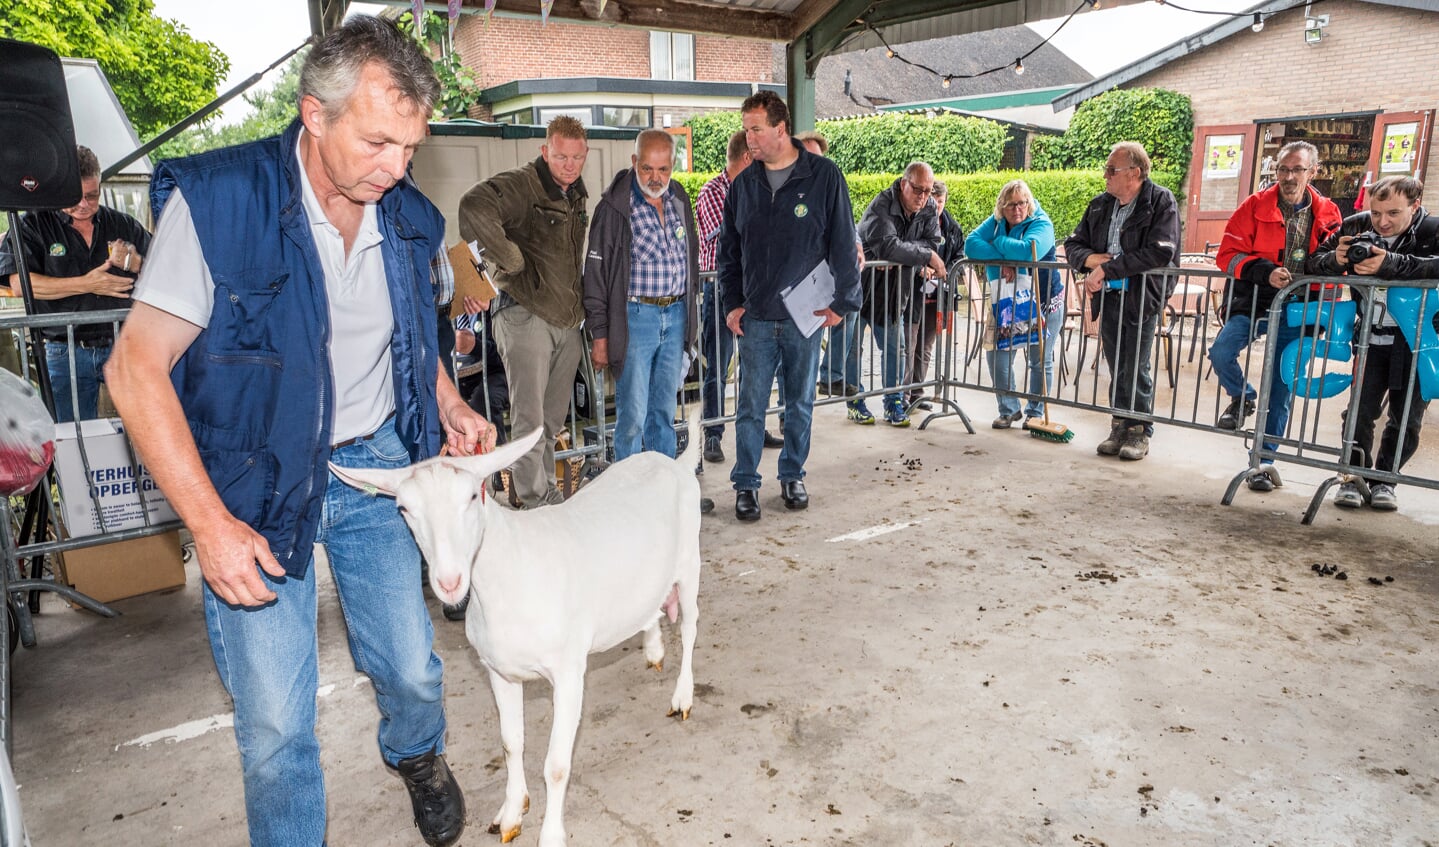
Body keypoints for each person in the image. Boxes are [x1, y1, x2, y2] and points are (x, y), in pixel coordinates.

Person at [103, 17, 493, 847]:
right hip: (250, 481)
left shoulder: (408, 217)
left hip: (374, 466)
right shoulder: (220, 203)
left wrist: (449, 402)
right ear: (314, 115)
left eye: (410, 148)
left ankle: (416, 753)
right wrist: (209, 526)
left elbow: (414, 336)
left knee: (414, 670)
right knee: (278, 723)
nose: (397, 168)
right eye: (379, 142)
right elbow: (133, 370)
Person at [718, 91, 861, 521]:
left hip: (807, 318)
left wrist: (843, 302)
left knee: (800, 403)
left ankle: (792, 474)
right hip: (756, 319)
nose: (749, 139)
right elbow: (729, 252)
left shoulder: (825, 177)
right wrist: (731, 303)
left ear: (781, 129)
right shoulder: (743, 185)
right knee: (750, 408)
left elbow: (843, 242)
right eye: (746, 130)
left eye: (756, 130)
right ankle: (746, 484)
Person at [458, 115, 589, 508]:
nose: (569, 165)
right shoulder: (523, 183)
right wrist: (510, 261)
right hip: (524, 315)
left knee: (550, 423)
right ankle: (532, 502)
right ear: (545, 151)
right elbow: (473, 206)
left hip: (564, 321)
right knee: (530, 422)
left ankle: (545, 491)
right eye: (562, 156)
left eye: (577, 157)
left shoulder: (575, 191)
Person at [1210, 141, 1342, 491]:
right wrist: (1263, 271)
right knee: (1221, 351)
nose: (1287, 176)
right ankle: (1243, 395)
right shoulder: (1253, 206)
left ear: (1313, 172)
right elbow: (1227, 256)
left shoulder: (1329, 212)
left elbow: (1338, 264)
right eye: (1283, 169)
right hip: (1255, 298)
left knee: (1281, 389)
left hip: (1302, 307)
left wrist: (1326, 307)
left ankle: (1263, 464)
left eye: (1296, 169)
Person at [1307, 175, 1438, 512]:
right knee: (1359, 412)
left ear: (1415, 206)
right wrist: (1336, 260)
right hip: (1369, 339)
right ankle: (1353, 477)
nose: (1382, 222)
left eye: (1393, 213)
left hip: (1418, 343)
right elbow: (1312, 262)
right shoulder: (1356, 227)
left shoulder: (1433, 230)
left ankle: (1385, 482)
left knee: (1406, 418)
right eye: (1376, 212)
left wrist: (1390, 264)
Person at [0, 145, 149, 422]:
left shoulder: (124, 224)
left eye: (92, 196)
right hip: (64, 350)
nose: (83, 204)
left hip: (125, 345)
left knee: (143, 427)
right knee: (71, 437)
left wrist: (134, 263)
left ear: (101, 186)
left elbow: (165, 271)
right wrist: (88, 284)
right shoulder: (33, 225)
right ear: (60, 188)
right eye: (75, 197)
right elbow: (20, 284)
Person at [583, 129, 700, 463]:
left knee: (662, 413)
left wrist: (689, 323)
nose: (655, 177)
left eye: (663, 169)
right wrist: (600, 335)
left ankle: (662, 490)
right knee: (632, 417)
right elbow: (595, 277)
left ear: (673, 165)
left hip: (675, 317)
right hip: (635, 320)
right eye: (647, 168)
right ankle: (629, 495)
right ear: (634, 161)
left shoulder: (679, 199)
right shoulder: (614, 207)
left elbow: (689, 261)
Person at [1064, 141, 1180, 461]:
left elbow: (1160, 251)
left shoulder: (1160, 202)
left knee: (1137, 364)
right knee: (1117, 365)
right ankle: (1119, 423)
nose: (1106, 175)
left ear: (1135, 173)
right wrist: (1091, 261)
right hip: (1110, 295)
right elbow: (1073, 244)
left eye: (1111, 169)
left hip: (1142, 295)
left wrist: (1108, 267)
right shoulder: (1100, 205)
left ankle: (1139, 430)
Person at [965, 179, 1063, 429]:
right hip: (1006, 301)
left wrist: (997, 244)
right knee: (997, 355)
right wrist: (1004, 261)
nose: (1017, 209)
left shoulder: (1042, 222)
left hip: (1043, 300)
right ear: (1002, 207)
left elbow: (1028, 251)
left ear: (1029, 203)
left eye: (1022, 203)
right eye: (1011, 205)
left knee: (1039, 358)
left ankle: (1035, 411)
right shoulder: (997, 221)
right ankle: (1008, 409)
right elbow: (971, 244)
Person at [854, 161, 945, 427]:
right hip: (863, 284)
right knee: (853, 348)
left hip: (896, 289)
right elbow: (886, 246)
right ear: (903, 183)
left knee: (896, 347)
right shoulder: (881, 205)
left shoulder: (928, 207)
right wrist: (924, 255)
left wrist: (911, 252)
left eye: (928, 191)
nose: (923, 197)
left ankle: (893, 401)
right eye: (918, 189)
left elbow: (932, 240)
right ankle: (855, 399)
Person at [696, 130, 751, 464]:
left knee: (753, 365)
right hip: (719, 287)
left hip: (751, 288)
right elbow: (733, 235)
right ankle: (713, 434)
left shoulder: (753, 190)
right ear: (746, 157)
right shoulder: (713, 191)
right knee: (716, 364)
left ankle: (751, 429)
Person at [905, 178, 964, 412]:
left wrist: (946, 272)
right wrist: (921, 268)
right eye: (934, 201)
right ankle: (902, 393)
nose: (937, 205)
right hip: (914, 292)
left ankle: (918, 392)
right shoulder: (917, 222)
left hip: (939, 295)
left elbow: (959, 255)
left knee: (926, 345)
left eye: (941, 201)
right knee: (908, 343)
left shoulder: (952, 227)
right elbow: (908, 249)